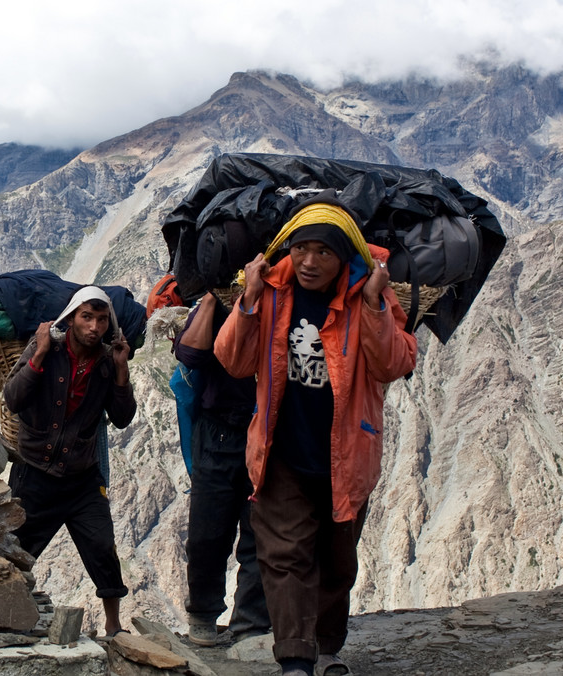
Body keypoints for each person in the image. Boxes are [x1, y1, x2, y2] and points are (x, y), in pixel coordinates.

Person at [213, 200, 418, 676]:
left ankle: (327, 648)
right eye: (301, 248)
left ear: (344, 256)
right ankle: (297, 659)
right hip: (281, 451)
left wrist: (371, 305)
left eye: (323, 252)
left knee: (335, 559)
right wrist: (248, 300)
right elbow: (233, 360)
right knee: (285, 557)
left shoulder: (369, 296)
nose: (308, 262)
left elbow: (394, 363)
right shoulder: (271, 291)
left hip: (345, 456)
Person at [3, 286, 136, 636]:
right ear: (72, 318)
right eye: (86, 317)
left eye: (101, 319)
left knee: (102, 547)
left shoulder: (108, 363)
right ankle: (6, 616)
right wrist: (40, 352)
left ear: (110, 324)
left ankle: (113, 626)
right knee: (16, 550)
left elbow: (122, 417)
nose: (94, 326)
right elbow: (13, 398)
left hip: (82, 478)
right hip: (35, 473)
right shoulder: (49, 349)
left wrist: (122, 370)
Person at [174, 292, 270, 647]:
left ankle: (250, 623)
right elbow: (190, 354)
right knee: (206, 532)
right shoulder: (216, 307)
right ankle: (202, 613)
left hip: (271, 436)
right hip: (219, 432)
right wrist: (213, 299)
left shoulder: (288, 303)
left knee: (261, 535)